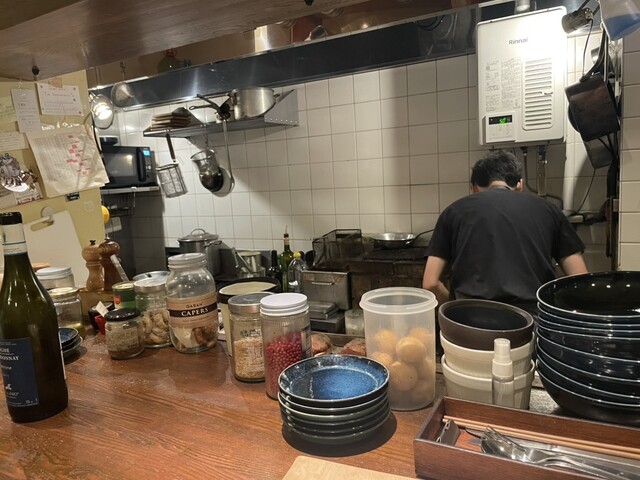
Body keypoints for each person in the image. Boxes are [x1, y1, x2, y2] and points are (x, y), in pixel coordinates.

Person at [422, 150, 588, 316]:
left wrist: (454, 309)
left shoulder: (453, 212)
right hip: (533, 322)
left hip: (469, 322)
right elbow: (581, 280)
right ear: (520, 185)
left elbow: (430, 283)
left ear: (473, 188)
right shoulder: (549, 210)